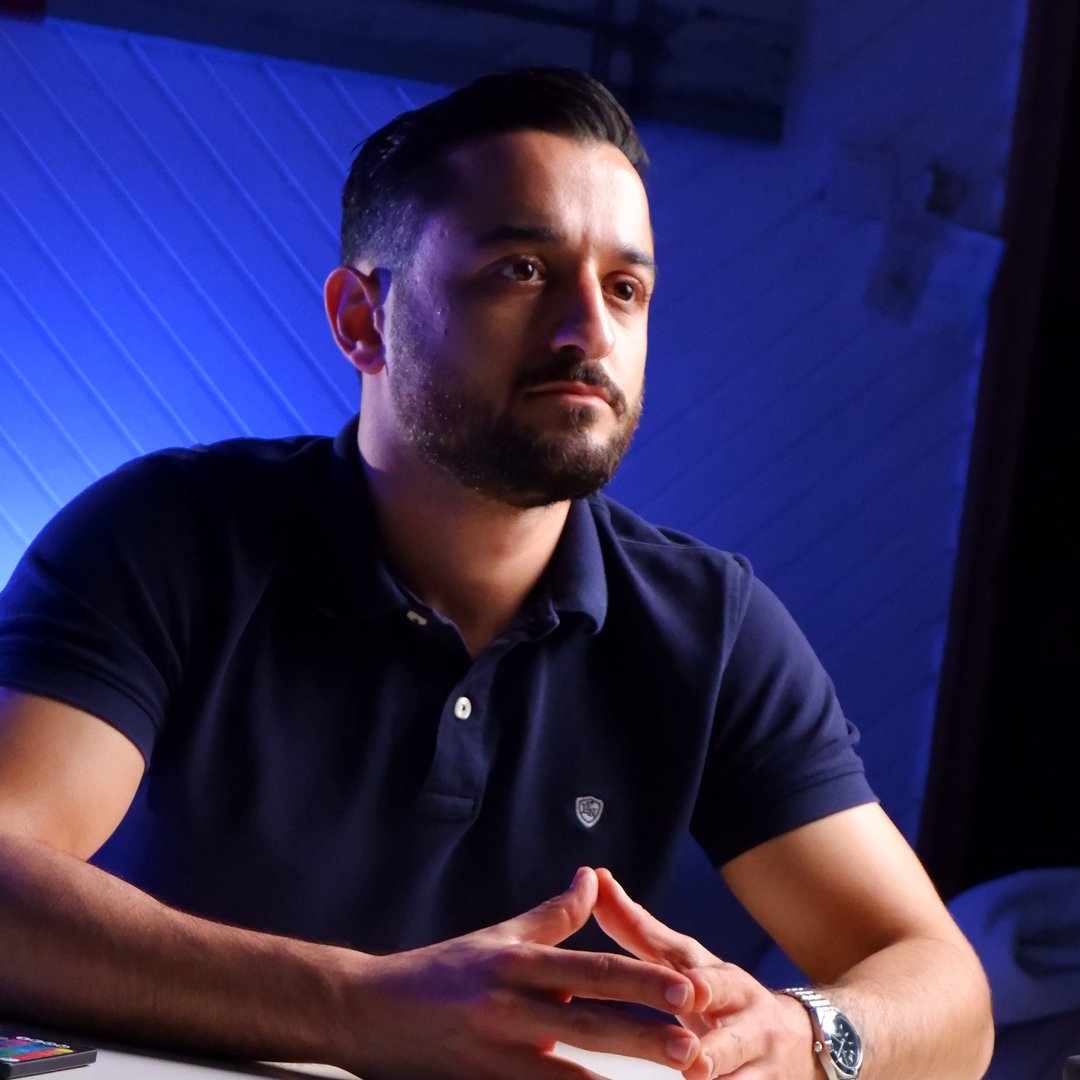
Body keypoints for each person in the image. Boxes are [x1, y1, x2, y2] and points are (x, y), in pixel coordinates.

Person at [0, 67, 992, 1080]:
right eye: (521, 270)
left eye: (626, 289)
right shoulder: (166, 534)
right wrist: (351, 1009)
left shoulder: (714, 627)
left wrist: (807, 1036)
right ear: (362, 319)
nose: (590, 333)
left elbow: (950, 997)